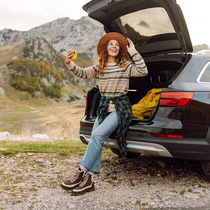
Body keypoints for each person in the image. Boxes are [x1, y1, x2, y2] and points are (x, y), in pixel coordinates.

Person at [61, 32, 148, 195]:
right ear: (106, 48)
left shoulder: (125, 65)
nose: (114, 46)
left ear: (120, 49)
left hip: (120, 108)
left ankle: (81, 171)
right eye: (110, 44)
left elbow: (142, 71)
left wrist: (134, 52)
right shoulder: (99, 66)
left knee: (98, 135)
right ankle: (89, 180)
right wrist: (70, 64)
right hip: (103, 109)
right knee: (96, 138)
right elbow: (83, 73)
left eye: (116, 44)